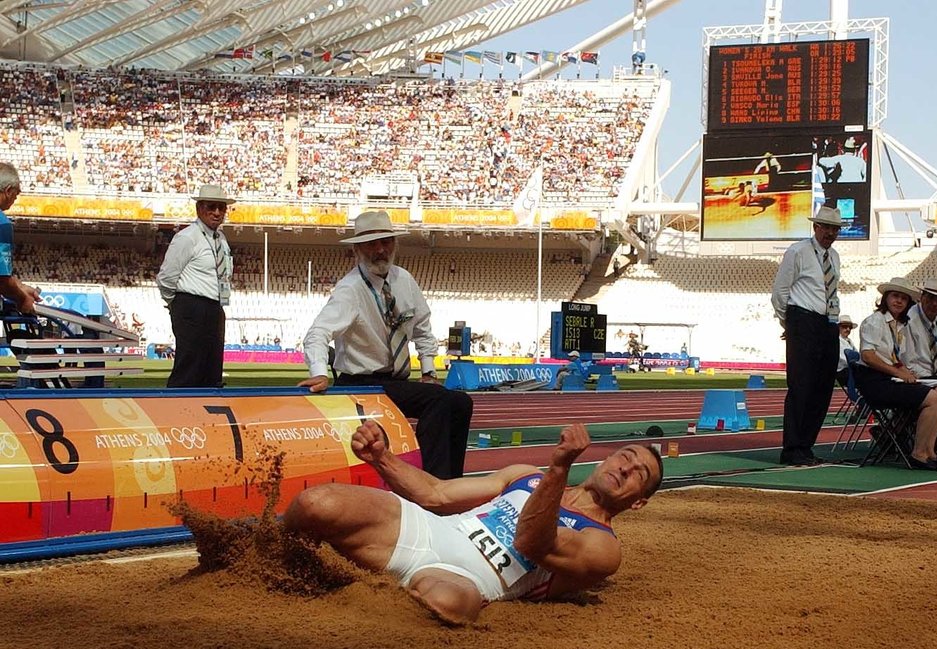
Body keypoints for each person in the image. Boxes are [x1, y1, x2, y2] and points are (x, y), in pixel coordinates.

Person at [283, 420, 663, 624]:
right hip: (434, 530)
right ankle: (261, 555)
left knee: (445, 604)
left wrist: (559, 466)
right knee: (317, 502)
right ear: (605, 459)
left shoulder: (603, 547)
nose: (626, 467)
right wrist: (382, 458)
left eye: (638, 474)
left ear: (639, 502)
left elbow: (532, 543)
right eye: (625, 456)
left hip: (474, 578)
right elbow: (437, 495)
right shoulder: (525, 475)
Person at [298, 210, 473, 479]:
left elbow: (423, 328)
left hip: (394, 382)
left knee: (461, 402)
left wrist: (428, 372)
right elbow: (317, 332)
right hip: (360, 383)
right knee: (439, 402)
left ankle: (451, 481)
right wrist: (319, 372)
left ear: (395, 244)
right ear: (357, 249)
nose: (380, 249)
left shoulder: (404, 280)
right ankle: (431, 484)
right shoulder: (351, 289)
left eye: (386, 242)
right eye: (372, 244)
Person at [771, 204, 844, 465]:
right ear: (816, 227)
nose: (831, 233)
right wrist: (789, 324)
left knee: (823, 387)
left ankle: (806, 445)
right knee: (801, 386)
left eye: (835, 229)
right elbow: (780, 292)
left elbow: (831, 291)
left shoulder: (833, 257)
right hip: (804, 318)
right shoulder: (798, 251)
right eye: (826, 227)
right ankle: (792, 448)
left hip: (828, 322)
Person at [853, 278, 937, 470]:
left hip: (891, 378)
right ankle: (918, 453)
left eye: (904, 299)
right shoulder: (875, 321)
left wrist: (907, 372)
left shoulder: (899, 326)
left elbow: (895, 357)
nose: (899, 301)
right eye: (895, 296)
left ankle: (930, 451)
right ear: (886, 298)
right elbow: (869, 356)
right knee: (932, 398)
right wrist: (899, 373)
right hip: (875, 382)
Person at [156, 184, 236, 388]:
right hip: (191, 305)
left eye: (221, 207)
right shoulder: (187, 237)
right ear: (199, 208)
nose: (217, 212)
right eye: (211, 207)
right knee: (189, 367)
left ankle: (207, 413)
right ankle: (177, 411)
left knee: (211, 369)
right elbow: (166, 277)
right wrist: (177, 305)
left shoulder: (221, 240)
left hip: (215, 306)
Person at [0, 163, 42, 315]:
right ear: (8, 191)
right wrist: (22, 298)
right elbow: (2, 280)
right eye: (16, 194)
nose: (15, 199)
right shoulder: (2, 223)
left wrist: (20, 286)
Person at [835, 314, 858, 387]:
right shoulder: (837, 341)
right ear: (838, 327)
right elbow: (844, 359)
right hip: (843, 372)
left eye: (850, 327)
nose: (848, 329)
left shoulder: (849, 341)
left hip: (852, 370)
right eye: (844, 326)